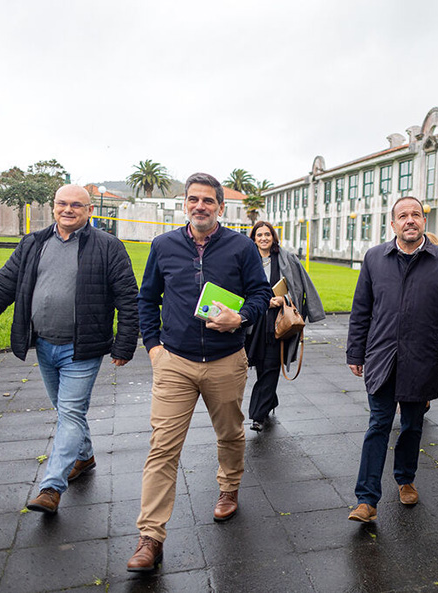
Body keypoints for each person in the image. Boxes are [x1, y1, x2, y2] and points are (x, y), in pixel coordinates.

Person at [0, 184, 139, 514]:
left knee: (70, 412)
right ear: (53, 207)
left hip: (82, 349)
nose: (68, 209)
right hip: (44, 344)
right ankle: (84, 457)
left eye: (76, 205)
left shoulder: (108, 247)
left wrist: (125, 342)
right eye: (61, 203)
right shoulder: (33, 243)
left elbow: (129, 299)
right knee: (66, 410)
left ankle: (51, 487)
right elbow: (2, 286)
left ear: (88, 211)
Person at [127, 172, 272, 572]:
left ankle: (228, 488)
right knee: (162, 447)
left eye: (208, 201)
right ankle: (150, 536)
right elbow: (147, 298)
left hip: (226, 360)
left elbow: (261, 294)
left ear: (220, 207)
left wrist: (239, 317)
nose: (200, 206)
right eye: (193, 199)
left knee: (230, 433)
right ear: (185, 204)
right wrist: (154, 348)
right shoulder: (164, 245)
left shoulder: (241, 248)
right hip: (175, 361)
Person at [346, 196, 438, 522]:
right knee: (378, 425)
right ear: (393, 224)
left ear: (423, 222)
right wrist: (355, 351)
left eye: (415, 214)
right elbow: (361, 310)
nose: (410, 220)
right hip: (382, 358)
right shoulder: (375, 258)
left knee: (413, 426)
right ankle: (367, 499)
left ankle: (405, 479)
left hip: (422, 359)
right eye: (403, 215)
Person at [245, 221, 325, 432]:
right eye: (259, 234)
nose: (263, 238)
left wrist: (284, 299)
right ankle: (270, 400)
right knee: (261, 365)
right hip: (254, 322)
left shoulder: (286, 259)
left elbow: (299, 289)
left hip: (277, 321)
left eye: (267, 234)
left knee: (271, 366)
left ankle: (257, 415)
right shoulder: (246, 259)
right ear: (253, 238)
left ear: (273, 237)